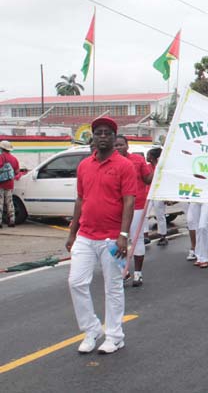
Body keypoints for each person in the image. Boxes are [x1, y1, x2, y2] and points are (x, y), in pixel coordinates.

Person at [66, 117, 137, 354]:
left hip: (112, 238)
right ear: (93, 137)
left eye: (108, 133)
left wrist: (124, 235)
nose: (103, 136)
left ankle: (115, 336)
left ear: (114, 137)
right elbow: (79, 199)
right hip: (85, 235)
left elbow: (129, 201)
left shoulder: (124, 166)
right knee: (76, 282)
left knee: (113, 287)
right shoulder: (84, 165)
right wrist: (72, 233)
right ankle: (92, 329)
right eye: (99, 133)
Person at [114, 135, 153, 287]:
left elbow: (148, 179)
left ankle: (138, 274)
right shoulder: (110, 163)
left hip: (137, 206)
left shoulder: (137, 160)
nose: (118, 148)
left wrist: (158, 169)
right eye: (116, 145)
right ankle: (123, 271)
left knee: (136, 240)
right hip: (117, 207)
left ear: (127, 146)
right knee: (117, 242)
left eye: (121, 145)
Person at [146, 148, 168, 246]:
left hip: (158, 194)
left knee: (160, 215)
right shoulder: (147, 167)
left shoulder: (162, 168)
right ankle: (145, 235)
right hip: (148, 194)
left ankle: (163, 236)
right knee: (144, 215)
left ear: (153, 157)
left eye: (148, 155)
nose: (147, 157)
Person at [0, 140, 20, 228]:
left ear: (2, 148)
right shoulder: (14, 159)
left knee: (0, 203)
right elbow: (17, 172)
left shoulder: (1, 157)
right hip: (10, 184)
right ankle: (12, 221)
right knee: (10, 202)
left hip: (1, 184)